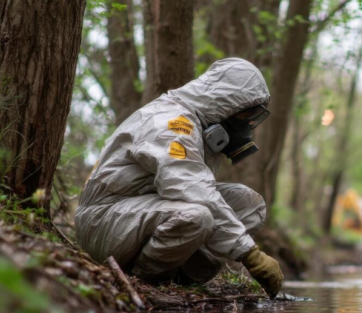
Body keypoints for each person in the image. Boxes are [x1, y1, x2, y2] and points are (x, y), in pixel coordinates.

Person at [75, 58, 284, 297]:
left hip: (139, 211)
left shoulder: (197, 123)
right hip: (103, 220)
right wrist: (251, 255)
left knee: (249, 205)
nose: (247, 124)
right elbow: (195, 192)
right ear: (229, 102)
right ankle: (144, 282)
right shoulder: (171, 123)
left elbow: (198, 191)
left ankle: (183, 280)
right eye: (245, 115)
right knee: (197, 216)